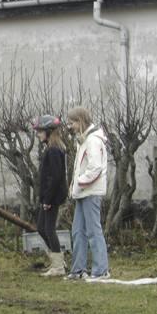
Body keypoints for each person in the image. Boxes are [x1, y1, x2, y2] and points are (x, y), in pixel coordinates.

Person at [65, 106, 110, 280]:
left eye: (72, 123)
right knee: (78, 231)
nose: (70, 127)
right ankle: (78, 269)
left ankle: (101, 270)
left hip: (91, 192)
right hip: (83, 193)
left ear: (80, 121)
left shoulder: (93, 141)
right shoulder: (83, 140)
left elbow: (95, 168)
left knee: (93, 231)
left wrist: (79, 183)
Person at [33, 115, 68, 277]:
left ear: (48, 132)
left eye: (40, 131)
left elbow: (55, 177)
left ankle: (58, 266)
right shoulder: (51, 148)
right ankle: (58, 260)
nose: (38, 134)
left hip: (52, 197)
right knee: (41, 228)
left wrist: (47, 200)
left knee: (48, 229)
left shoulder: (54, 150)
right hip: (48, 196)